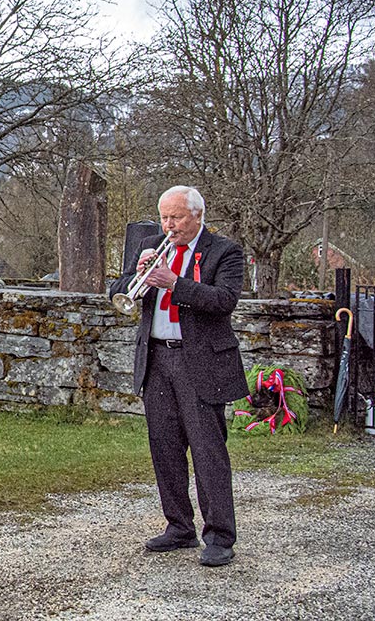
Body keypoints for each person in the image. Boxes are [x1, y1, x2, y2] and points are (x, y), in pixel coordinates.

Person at [108, 185, 247, 567]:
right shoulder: (151, 245)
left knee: (208, 452)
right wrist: (136, 275)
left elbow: (224, 301)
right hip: (157, 360)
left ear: (198, 215)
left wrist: (174, 283)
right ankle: (179, 527)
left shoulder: (224, 251)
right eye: (165, 217)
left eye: (177, 218)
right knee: (165, 449)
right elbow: (117, 290)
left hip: (201, 362)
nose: (169, 226)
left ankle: (219, 536)